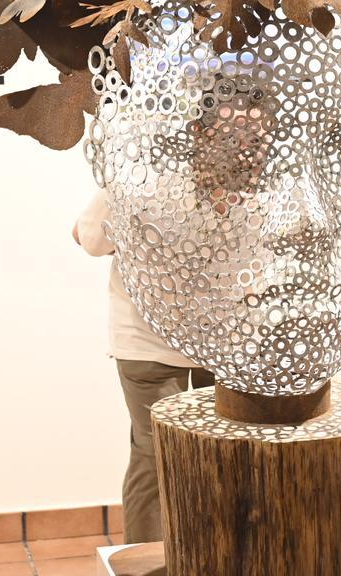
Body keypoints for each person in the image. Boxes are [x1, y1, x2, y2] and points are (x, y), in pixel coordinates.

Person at [73, 190, 215, 543]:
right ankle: (199, 557)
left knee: (156, 458)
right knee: (209, 456)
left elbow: (88, 237)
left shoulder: (135, 173)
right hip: (203, 342)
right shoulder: (248, 173)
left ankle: (155, 560)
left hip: (183, 343)